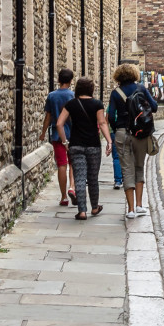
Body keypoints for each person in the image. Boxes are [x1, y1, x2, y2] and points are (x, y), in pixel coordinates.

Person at [108, 61, 159, 221]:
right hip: (140, 134)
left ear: (118, 76)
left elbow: (110, 116)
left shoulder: (116, 93)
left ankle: (130, 210)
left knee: (126, 170)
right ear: (134, 75)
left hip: (122, 133)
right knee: (139, 167)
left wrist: (118, 129)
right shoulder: (141, 89)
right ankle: (139, 205)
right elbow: (154, 107)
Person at [56, 76, 111, 221]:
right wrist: (109, 141)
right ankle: (94, 207)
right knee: (93, 178)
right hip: (93, 145)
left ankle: (81, 211)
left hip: (76, 145)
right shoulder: (97, 104)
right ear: (91, 89)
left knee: (79, 177)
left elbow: (59, 124)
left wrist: (64, 141)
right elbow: (102, 123)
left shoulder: (71, 104)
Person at [41, 68, 76, 207]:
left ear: (59, 80)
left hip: (57, 135)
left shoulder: (52, 96)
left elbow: (48, 117)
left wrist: (43, 132)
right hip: (73, 134)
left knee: (62, 164)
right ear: (71, 81)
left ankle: (63, 197)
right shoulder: (73, 96)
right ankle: (72, 187)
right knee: (73, 163)